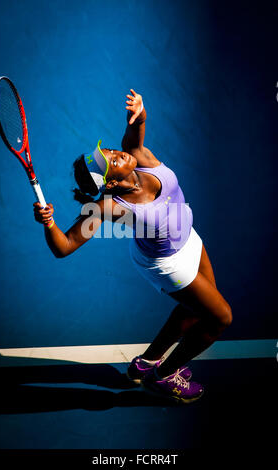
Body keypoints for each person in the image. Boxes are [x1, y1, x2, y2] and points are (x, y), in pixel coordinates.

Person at [34, 89, 232, 404]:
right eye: (112, 161)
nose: (117, 153)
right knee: (220, 317)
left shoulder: (136, 155)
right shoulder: (108, 207)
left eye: (109, 150)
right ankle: (165, 374)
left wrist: (139, 110)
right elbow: (65, 245)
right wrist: (49, 223)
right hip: (167, 263)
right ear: (110, 184)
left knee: (197, 309)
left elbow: (137, 128)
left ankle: (148, 362)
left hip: (189, 237)